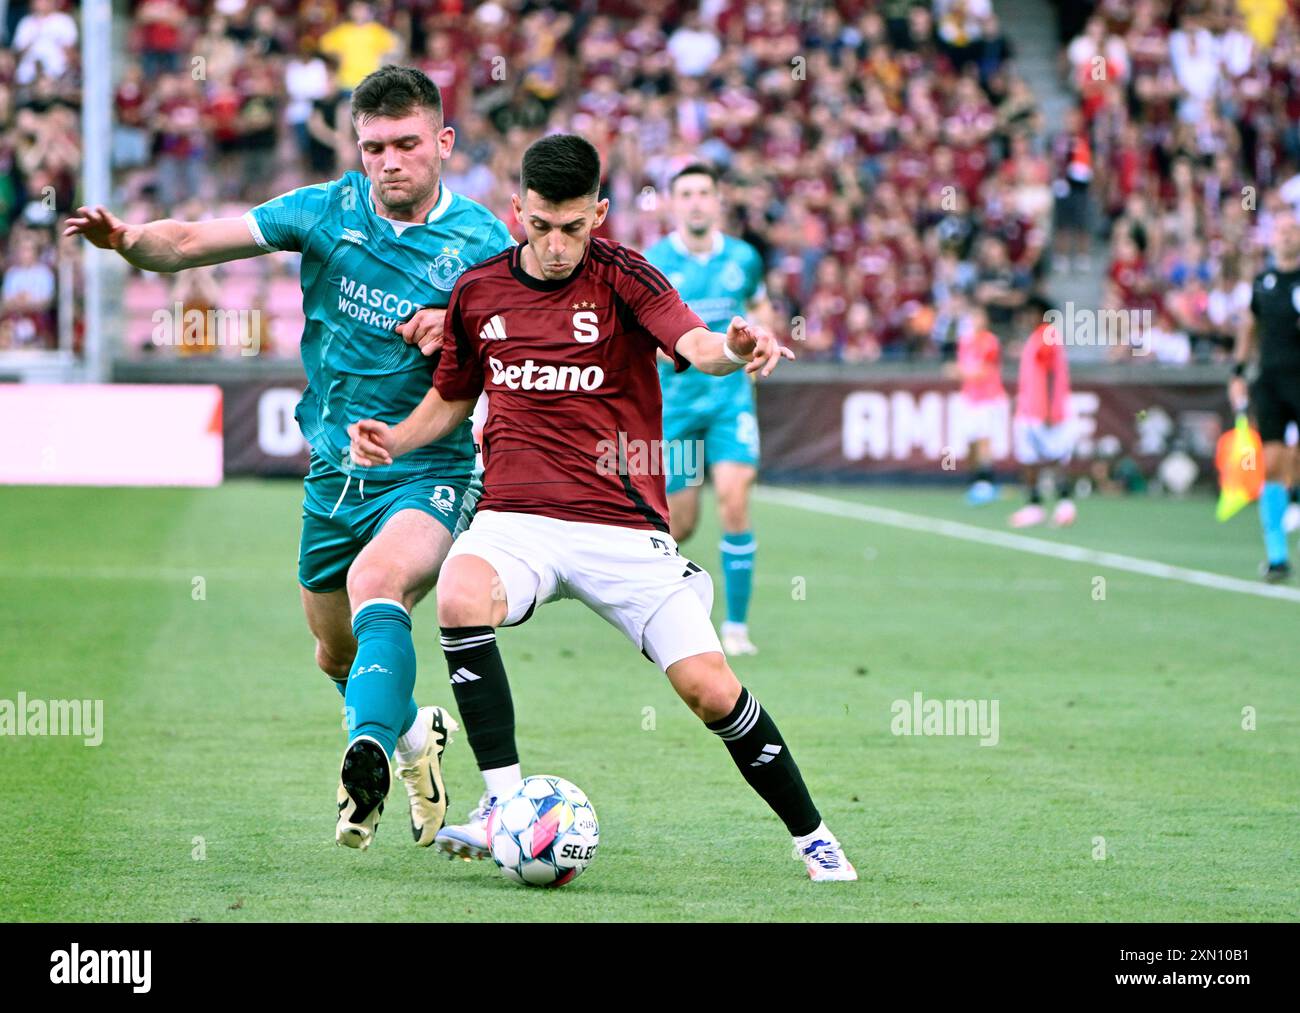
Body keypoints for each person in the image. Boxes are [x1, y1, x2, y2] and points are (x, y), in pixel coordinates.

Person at [349, 134, 857, 882]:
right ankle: (501, 804)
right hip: (516, 517)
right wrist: (395, 438)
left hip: (621, 525)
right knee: (458, 592)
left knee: (710, 688)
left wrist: (736, 347)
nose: (556, 246)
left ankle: (812, 835)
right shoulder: (478, 291)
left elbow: (694, 341)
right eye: (542, 226)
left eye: (574, 229)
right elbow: (454, 397)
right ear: (517, 209)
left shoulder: (625, 277)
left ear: (601, 213)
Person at [65, 66, 515, 849]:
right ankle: (413, 741)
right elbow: (193, 240)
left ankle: (366, 755)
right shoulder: (324, 208)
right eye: (374, 146)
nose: (389, 161)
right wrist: (128, 243)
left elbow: (519, 340)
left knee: (381, 582)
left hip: (429, 466)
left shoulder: (484, 243)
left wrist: (460, 327)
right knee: (332, 649)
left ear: (442, 143)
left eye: (407, 143)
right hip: (334, 470)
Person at [644, 163, 771, 656]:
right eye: (687, 194)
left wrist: (764, 336)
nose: (696, 201)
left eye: (704, 193)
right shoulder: (653, 261)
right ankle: (660, 618)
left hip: (729, 402)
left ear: (718, 201)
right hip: (674, 407)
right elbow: (647, 336)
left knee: (735, 501)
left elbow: (760, 309)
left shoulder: (744, 257)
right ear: (674, 203)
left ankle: (736, 627)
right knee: (681, 524)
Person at [1230, 213, 1300, 582]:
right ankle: (1277, 556)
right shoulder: (1263, 283)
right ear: (1272, 239)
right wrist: (1238, 372)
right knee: (1271, 464)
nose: (1286, 237)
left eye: (1292, 231)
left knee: (1293, 461)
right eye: (1281, 232)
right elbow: (1249, 328)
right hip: (1271, 382)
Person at [1009, 297, 1077, 527]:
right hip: (1030, 409)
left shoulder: (1046, 335)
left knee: (1054, 457)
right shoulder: (1039, 336)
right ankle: (1035, 505)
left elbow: (1049, 374)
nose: (1026, 318)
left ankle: (1064, 504)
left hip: (1043, 412)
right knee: (1029, 458)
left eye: (1030, 313)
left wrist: (1048, 409)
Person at [955, 303, 1006, 504]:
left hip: (988, 397)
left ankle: (986, 482)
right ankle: (975, 480)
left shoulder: (990, 342)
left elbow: (983, 371)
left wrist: (962, 371)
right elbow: (963, 369)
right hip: (969, 397)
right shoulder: (965, 341)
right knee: (970, 441)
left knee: (985, 440)